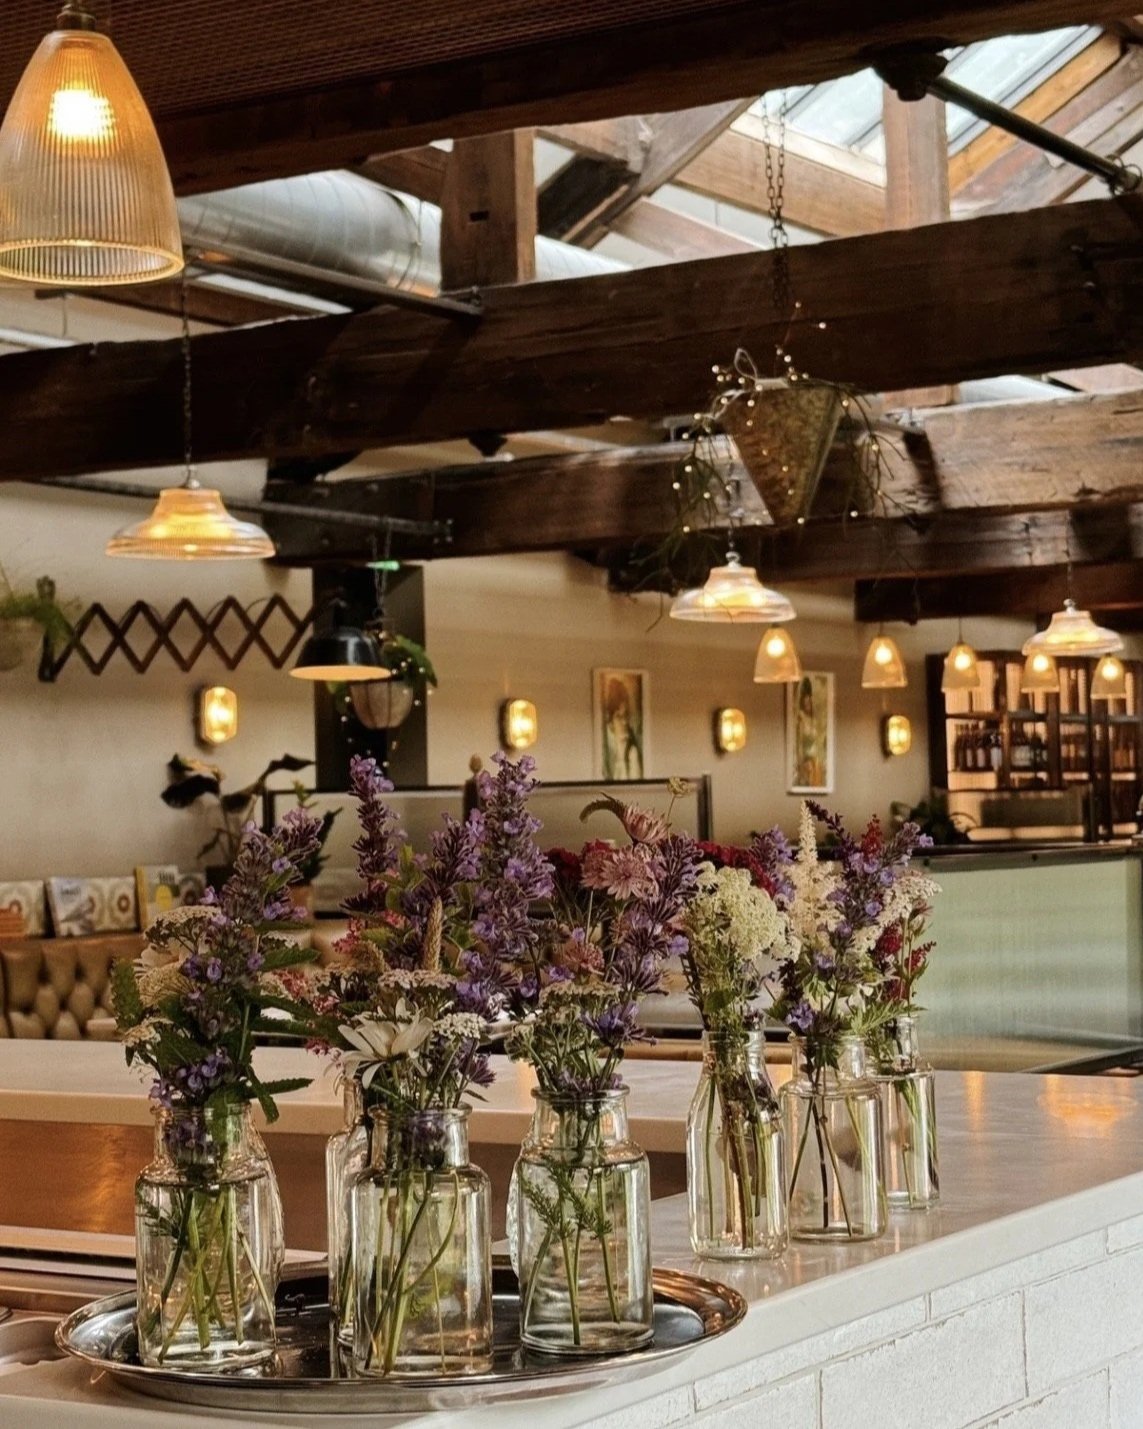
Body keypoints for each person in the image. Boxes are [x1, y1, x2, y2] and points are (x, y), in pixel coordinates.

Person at [602, 676, 643, 780]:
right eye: (619, 717)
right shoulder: (606, 752)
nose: (625, 722)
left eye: (626, 716)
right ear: (610, 722)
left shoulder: (633, 752)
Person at [794, 675, 825, 789]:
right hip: (805, 753)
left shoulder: (815, 720)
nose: (808, 706)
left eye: (810, 704)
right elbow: (800, 740)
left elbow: (818, 739)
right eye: (806, 704)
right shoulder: (801, 718)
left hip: (814, 753)